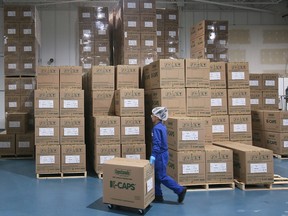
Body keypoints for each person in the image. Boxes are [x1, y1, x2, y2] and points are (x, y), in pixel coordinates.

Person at [149, 107, 187, 203]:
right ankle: (158, 195)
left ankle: (180, 190)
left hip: (160, 155)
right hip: (163, 153)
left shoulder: (156, 128)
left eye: (152, 115)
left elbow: (157, 143)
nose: (151, 117)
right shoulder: (162, 126)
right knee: (156, 175)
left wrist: (153, 155)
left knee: (161, 176)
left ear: (157, 117)